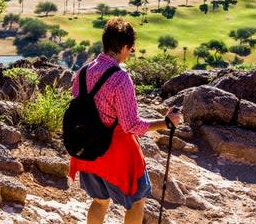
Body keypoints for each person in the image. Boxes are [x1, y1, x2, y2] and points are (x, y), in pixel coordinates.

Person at [69, 17, 183, 224]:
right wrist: (166, 122)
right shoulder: (121, 78)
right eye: (131, 48)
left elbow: (78, 102)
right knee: (137, 202)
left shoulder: (83, 71)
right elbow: (132, 126)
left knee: (100, 200)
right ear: (123, 47)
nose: (131, 52)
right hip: (117, 155)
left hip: (87, 150)